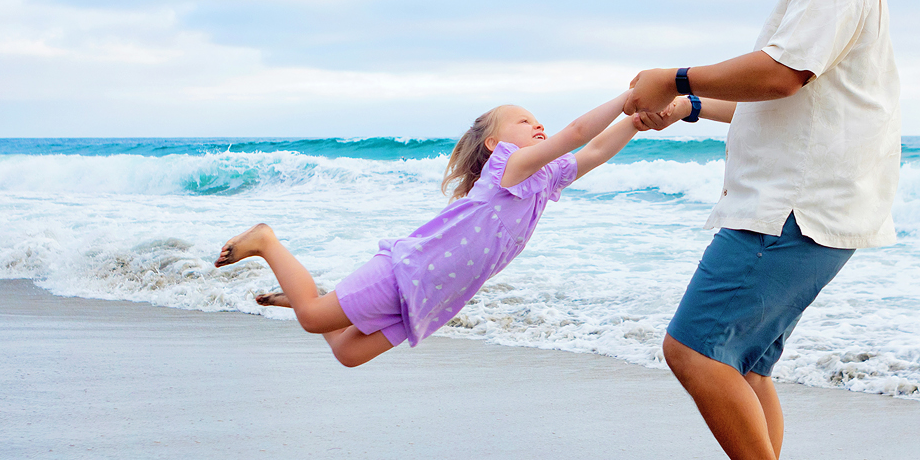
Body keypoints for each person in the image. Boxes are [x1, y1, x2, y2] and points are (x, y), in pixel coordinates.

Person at [626, 0, 902, 460]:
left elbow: (780, 74)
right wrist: (687, 107)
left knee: (690, 348)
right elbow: (781, 96)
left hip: (792, 209)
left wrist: (676, 75)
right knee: (745, 367)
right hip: (806, 203)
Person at [214, 93, 640, 368]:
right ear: (496, 145)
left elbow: (597, 148)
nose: (538, 126)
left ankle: (306, 297)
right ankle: (266, 241)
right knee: (312, 319)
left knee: (347, 353)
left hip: (435, 296)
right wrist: (629, 99)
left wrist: (637, 121)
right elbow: (579, 134)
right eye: (524, 122)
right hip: (407, 271)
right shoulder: (508, 170)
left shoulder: (545, 181)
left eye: (538, 121)